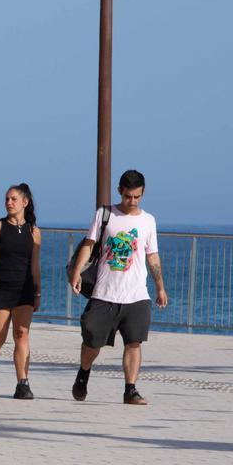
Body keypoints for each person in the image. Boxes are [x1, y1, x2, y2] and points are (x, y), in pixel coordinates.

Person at [68, 169, 169, 405]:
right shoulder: (105, 214)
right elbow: (89, 245)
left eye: (136, 197)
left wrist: (160, 287)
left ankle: (130, 389)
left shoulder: (148, 221)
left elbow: (152, 256)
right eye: (127, 197)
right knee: (93, 340)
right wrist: (76, 272)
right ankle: (83, 374)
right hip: (105, 292)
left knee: (134, 342)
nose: (131, 201)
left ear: (142, 193)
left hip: (136, 294)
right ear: (120, 191)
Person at [0, 184, 42, 399]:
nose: (9, 203)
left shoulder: (34, 231)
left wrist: (38, 292)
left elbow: (34, 264)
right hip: (0, 287)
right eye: (7, 199)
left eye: (13, 199)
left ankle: (23, 382)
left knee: (22, 334)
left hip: (24, 289)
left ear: (25, 202)